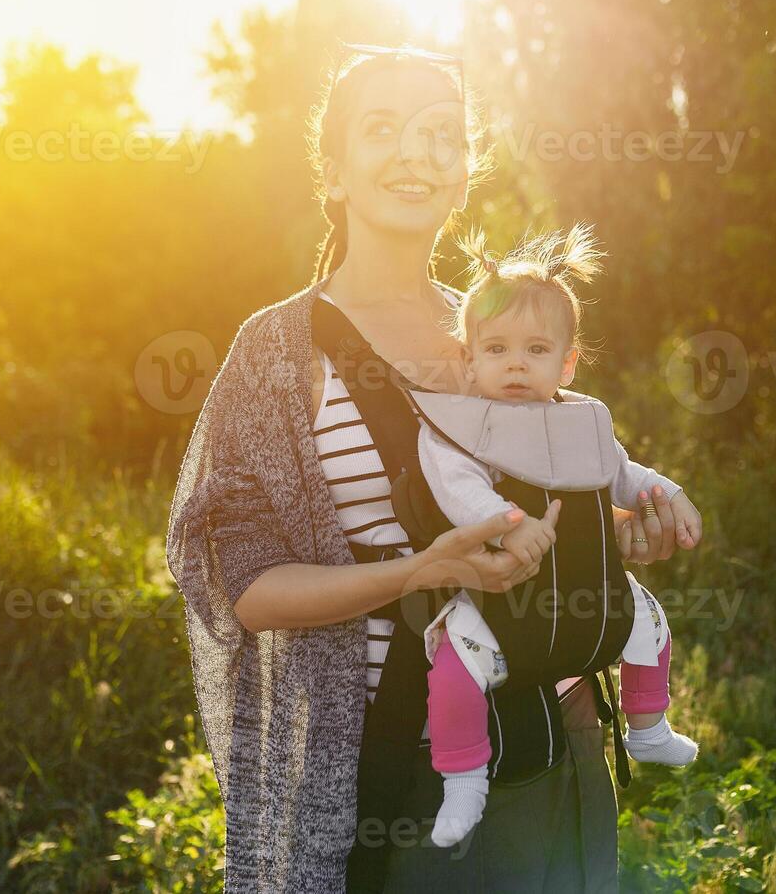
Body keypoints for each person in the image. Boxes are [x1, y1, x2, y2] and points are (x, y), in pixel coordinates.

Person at [165, 45, 690, 893]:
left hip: (554, 743)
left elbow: (547, 526)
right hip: (394, 774)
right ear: (333, 172)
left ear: (464, 174)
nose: (415, 152)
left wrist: (628, 536)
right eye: (383, 129)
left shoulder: (500, 332)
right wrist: (423, 570)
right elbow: (249, 589)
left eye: (441, 134)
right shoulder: (276, 352)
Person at [414, 223, 704, 848]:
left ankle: (648, 724)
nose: (515, 363)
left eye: (536, 349)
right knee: (453, 670)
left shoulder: (582, 422)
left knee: (649, 624)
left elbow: (625, 475)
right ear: (469, 359)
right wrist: (505, 524)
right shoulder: (459, 428)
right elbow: (457, 487)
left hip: (583, 589)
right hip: (501, 594)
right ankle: (463, 780)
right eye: (495, 349)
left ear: (567, 361)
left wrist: (670, 496)